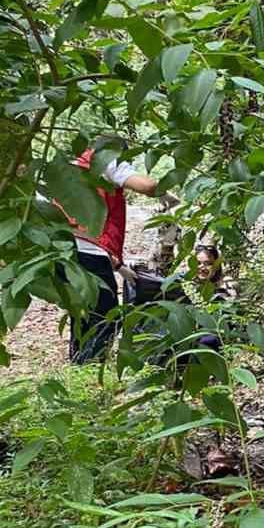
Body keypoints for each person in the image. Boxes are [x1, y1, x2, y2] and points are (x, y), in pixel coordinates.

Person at [65, 138, 160, 364]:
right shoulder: (106, 162)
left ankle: (78, 363)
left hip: (64, 251)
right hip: (89, 254)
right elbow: (148, 186)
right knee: (106, 316)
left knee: (82, 312)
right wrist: (165, 193)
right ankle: (88, 368)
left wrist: (118, 266)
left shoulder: (70, 166)